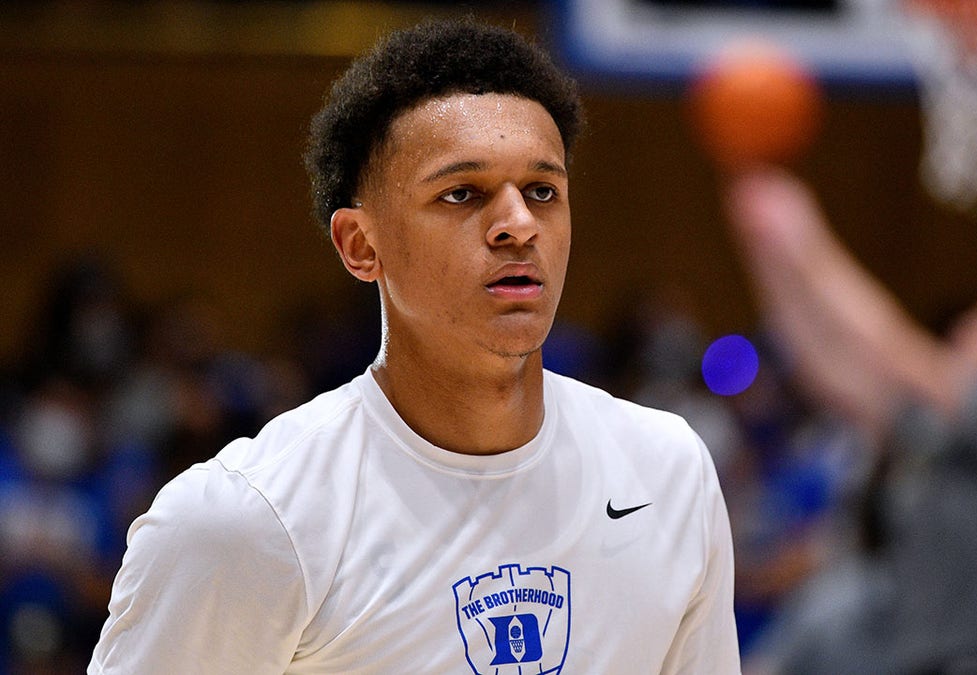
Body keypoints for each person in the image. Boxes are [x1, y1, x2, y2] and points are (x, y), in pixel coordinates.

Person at [87, 19, 740, 674]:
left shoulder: (669, 471)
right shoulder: (246, 520)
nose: (518, 223)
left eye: (543, 191)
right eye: (463, 193)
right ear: (360, 245)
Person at [724, 167, 977, 674]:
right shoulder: (938, 427)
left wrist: (807, 239)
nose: (970, 327)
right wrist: (767, 255)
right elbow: (826, 369)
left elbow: (895, 348)